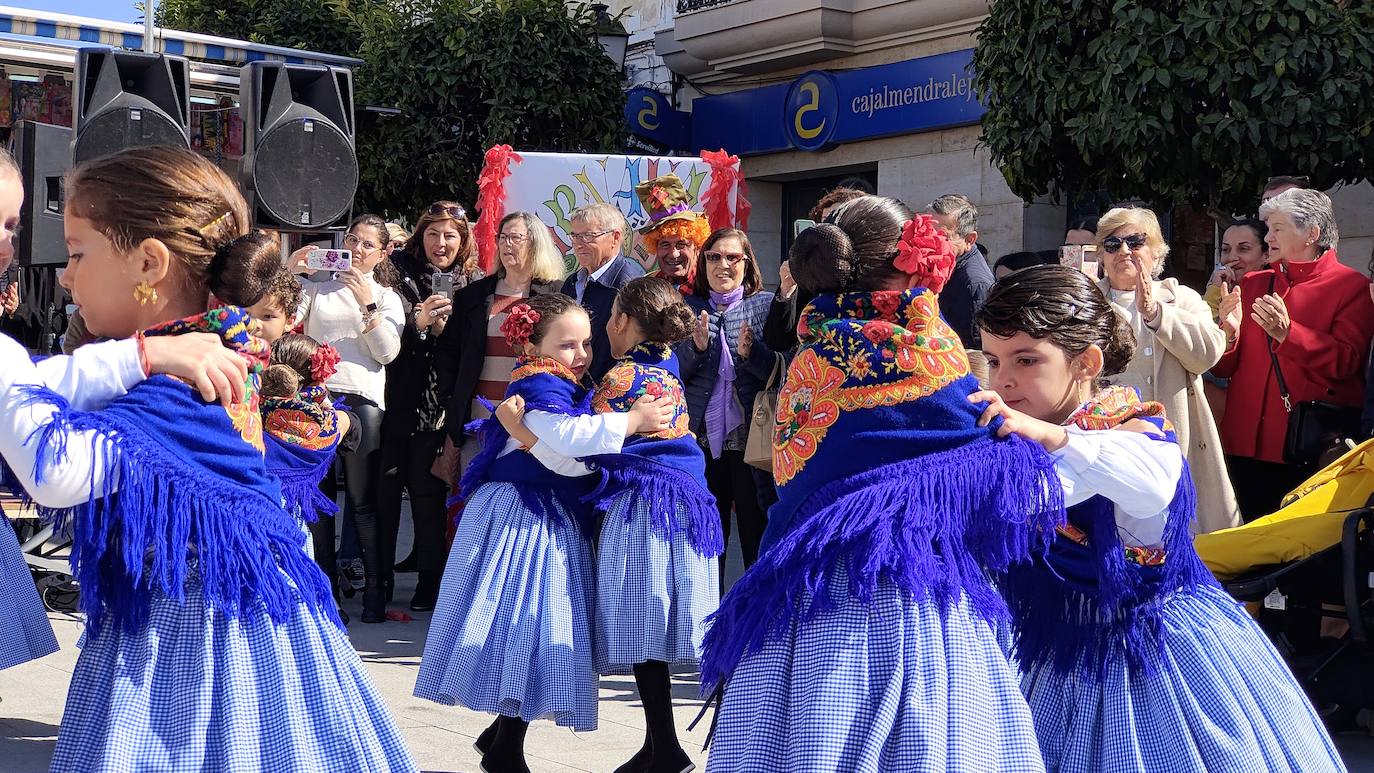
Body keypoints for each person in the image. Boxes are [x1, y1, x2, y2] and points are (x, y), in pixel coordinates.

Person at [2, 145, 416, 772]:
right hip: (206, 624)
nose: (63, 275)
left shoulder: (181, 383)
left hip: (201, 642)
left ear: (148, 263)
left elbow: (56, 467)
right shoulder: (201, 353)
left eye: (79, 252)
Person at [699, 197, 1057, 772]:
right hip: (910, 586)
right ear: (908, 264)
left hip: (808, 585)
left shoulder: (811, 353)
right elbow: (998, 465)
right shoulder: (921, 343)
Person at [977, 264, 1342, 772]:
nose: (1004, 380)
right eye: (993, 361)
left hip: (1149, 649)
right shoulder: (1006, 441)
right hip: (1049, 647)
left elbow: (1148, 483)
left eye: (1026, 359)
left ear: (1086, 363)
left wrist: (1051, 438)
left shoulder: (1132, 428)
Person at [413, 293, 673, 773]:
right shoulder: (538, 387)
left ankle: (503, 741)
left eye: (587, 343)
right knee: (531, 625)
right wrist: (632, 421)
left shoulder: (560, 383)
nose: (582, 354)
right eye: (568, 344)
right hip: (522, 517)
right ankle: (504, 746)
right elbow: (568, 455)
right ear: (532, 346)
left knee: (536, 627)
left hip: (543, 516)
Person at [501, 276, 723, 773]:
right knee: (653, 626)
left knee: (640, 624)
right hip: (685, 501)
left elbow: (584, 448)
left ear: (620, 321)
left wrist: (523, 434)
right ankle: (659, 746)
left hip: (645, 505)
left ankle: (664, 748)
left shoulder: (621, 380)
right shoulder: (665, 363)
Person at [1214, 188, 1374, 519]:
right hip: (1242, 443)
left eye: (1277, 228)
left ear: (1311, 234)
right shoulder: (1256, 283)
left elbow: (1347, 363)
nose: (1268, 236)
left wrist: (1289, 334)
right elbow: (1227, 367)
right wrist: (1227, 334)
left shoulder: (1351, 286)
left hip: (1307, 447)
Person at [1093, 207, 1239, 533]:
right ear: (1101, 254)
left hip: (1174, 441)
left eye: (1135, 241)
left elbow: (1207, 355)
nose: (1124, 251)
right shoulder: (1085, 302)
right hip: (1106, 444)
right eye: (1113, 244)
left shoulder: (1180, 298)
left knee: (1176, 538)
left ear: (1156, 250)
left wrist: (1157, 314)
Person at [295, 213, 405, 620]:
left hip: (363, 399)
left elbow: (387, 352)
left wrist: (367, 304)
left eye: (367, 245)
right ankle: (325, 591)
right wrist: (293, 269)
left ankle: (375, 592)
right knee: (320, 499)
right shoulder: (318, 289)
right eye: (352, 241)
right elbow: (284, 313)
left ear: (382, 252)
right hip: (317, 397)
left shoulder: (388, 297)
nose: (357, 250)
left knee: (363, 502)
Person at [378, 202, 485, 614]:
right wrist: (417, 324)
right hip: (396, 398)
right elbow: (385, 339)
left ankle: (430, 580)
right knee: (385, 492)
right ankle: (379, 579)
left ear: (464, 240)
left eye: (451, 235)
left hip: (441, 406)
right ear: (421, 236)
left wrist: (447, 330)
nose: (442, 244)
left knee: (427, 495)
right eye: (434, 234)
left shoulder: (474, 283)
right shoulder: (395, 274)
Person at [437, 210, 566, 482]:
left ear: (535, 243)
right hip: (478, 420)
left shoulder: (555, 295)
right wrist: (451, 398)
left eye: (516, 238)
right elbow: (447, 352)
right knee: (474, 499)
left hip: (530, 420)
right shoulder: (474, 295)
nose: (507, 244)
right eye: (503, 237)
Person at [681, 228, 777, 578]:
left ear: (746, 263)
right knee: (706, 540)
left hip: (752, 441)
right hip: (702, 443)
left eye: (732, 257)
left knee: (756, 535)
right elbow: (675, 374)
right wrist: (698, 349)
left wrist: (753, 355)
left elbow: (779, 372)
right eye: (713, 257)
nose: (722, 264)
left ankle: (752, 622)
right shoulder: (688, 309)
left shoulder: (765, 306)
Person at [260, 335, 352, 560]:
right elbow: (340, 419)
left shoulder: (250, 410)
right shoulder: (325, 425)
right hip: (289, 516)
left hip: (250, 507)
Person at [762, 186, 867, 353]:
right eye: (823, 221)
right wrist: (786, 291)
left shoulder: (872, 275)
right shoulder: (810, 277)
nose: (828, 230)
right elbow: (777, 341)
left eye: (835, 221)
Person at [560, 202, 645, 382]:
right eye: (575, 236)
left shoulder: (629, 286)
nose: (578, 244)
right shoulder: (572, 282)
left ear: (615, 237)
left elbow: (632, 349)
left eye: (588, 236)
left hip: (606, 391)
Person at [1202, 220, 1269, 424]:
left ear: (1266, 255)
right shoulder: (1219, 289)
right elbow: (1203, 341)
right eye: (1225, 249)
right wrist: (1215, 290)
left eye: (1244, 249)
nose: (1232, 258)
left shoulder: (1272, 296)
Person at [927, 193, 995, 349]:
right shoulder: (943, 265)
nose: (931, 242)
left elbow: (975, 351)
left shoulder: (975, 284)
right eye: (928, 233)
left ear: (969, 240)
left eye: (943, 237)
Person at [636, 173, 710, 289]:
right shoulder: (648, 288)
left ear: (697, 247)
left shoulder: (712, 287)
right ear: (655, 248)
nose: (673, 254)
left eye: (681, 244)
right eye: (665, 245)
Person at [247, 266, 303, 344]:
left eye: (267, 316)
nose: (254, 325)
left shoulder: (294, 355)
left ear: (289, 322)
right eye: (246, 314)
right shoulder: (226, 352)